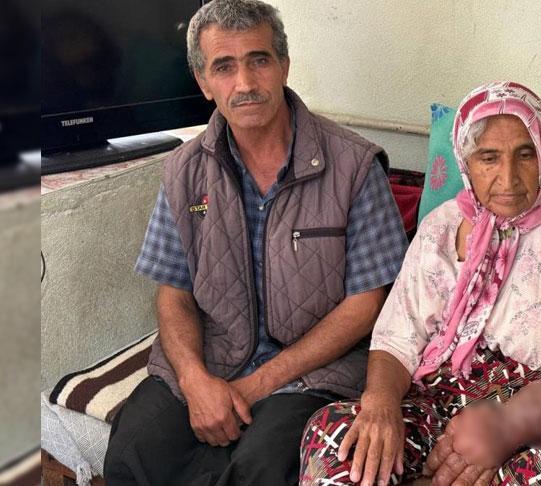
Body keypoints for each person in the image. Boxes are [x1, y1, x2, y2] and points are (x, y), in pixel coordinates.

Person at [299, 82, 541, 486]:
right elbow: (396, 339)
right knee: (332, 431)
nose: (508, 178)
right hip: (436, 404)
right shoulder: (441, 225)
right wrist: (380, 405)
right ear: (466, 163)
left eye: (525, 155)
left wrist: (509, 426)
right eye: (489, 158)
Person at [103, 1, 407, 485]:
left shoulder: (353, 165)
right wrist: (195, 381)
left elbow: (366, 304)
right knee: (133, 453)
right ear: (203, 82)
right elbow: (173, 293)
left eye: (259, 60)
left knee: (261, 470)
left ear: (284, 65)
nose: (245, 83)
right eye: (224, 67)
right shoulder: (183, 170)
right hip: (212, 360)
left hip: (314, 374)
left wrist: (255, 385)